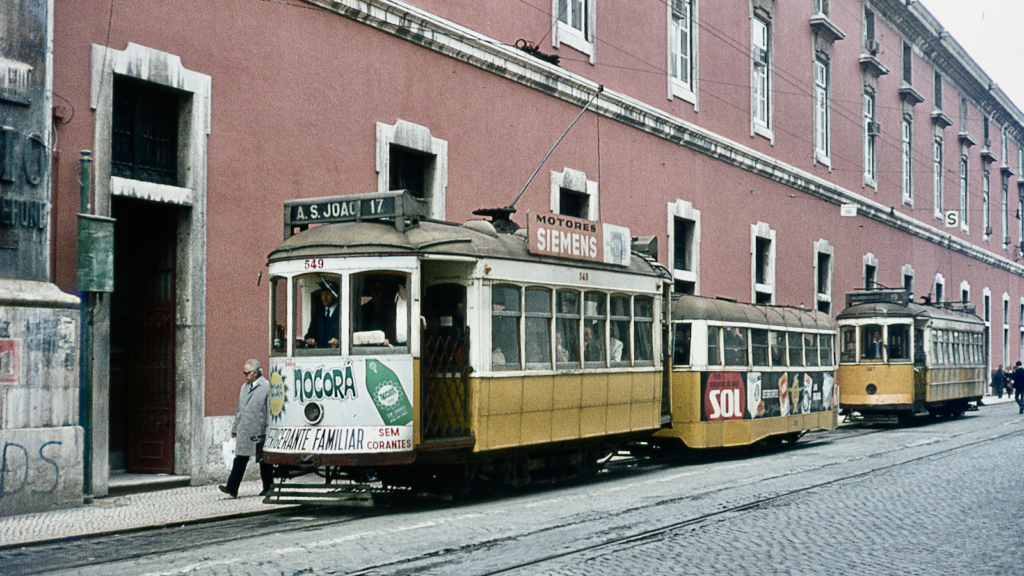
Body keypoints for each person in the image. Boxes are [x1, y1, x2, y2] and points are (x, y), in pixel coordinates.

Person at [220, 359, 273, 498]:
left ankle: (268, 488)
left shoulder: (267, 387)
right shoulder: (244, 387)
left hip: (259, 430)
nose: (244, 376)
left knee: (264, 462)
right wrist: (235, 427)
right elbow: (239, 409)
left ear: (255, 373)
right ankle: (232, 488)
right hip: (244, 429)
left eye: (246, 373)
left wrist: (268, 431)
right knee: (240, 460)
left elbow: (269, 411)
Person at [304, 280, 340, 348]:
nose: (325, 297)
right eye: (323, 294)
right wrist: (309, 338)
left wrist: (339, 341)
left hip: (337, 354)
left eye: (328, 294)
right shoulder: (318, 313)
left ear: (335, 295)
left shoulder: (343, 312)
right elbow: (310, 333)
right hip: (320, 354)